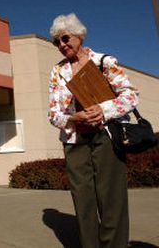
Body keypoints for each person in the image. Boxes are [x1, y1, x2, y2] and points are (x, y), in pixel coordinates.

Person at [47, 13, 139, 248]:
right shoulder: (57, 72)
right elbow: (53, 114)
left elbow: (130, 95)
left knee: (112, 199)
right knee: (83, 200)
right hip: (75, 140)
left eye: (65, 38)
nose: (62, 45)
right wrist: (72, 117)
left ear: (79, 35)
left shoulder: (104, 61)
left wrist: (104, 109)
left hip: (106, 136)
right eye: (56, 42)